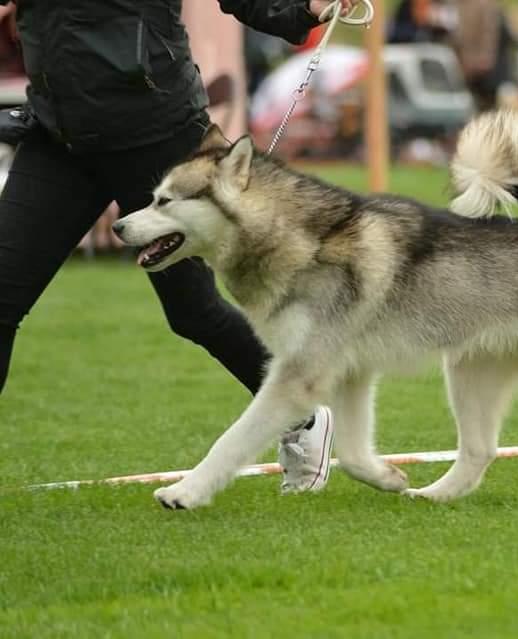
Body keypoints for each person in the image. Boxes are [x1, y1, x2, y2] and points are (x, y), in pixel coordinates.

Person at [0, 0, 358, 493]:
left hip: (158, 137)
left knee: (194, 313)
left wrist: (303, 8)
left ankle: (301, 413)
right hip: (60, 137)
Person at [453, 0, 515, 113]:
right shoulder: (460, 5)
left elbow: (489, 34)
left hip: (483, 67)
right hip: (468, 66)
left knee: (486, 107)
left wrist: (481, 60)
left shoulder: (485, 4)